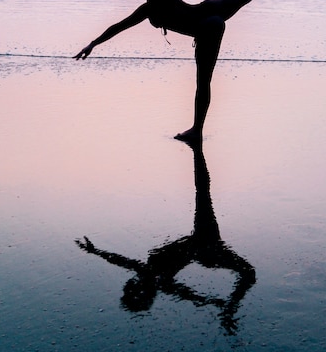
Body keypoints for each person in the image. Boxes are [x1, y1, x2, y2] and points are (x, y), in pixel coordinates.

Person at [74, 0, 259, 142]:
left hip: (207, 27)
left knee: (203, 83)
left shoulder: (149, 7)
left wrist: (93, 44)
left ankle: (196, 131)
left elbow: (119, 27)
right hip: (208, 11)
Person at [75, 139, 256, 334]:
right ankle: (197, 151)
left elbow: (121, 261)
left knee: (204, 194)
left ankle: (197, 151)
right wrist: (213, 302)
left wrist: (96, 252)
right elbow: (188, 294)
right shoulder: (157, 278)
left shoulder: (150, 275)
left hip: (203, 247)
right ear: (139, 291)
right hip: (204, 244)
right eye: (132, 290)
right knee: (203, 194)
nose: (130, 285)